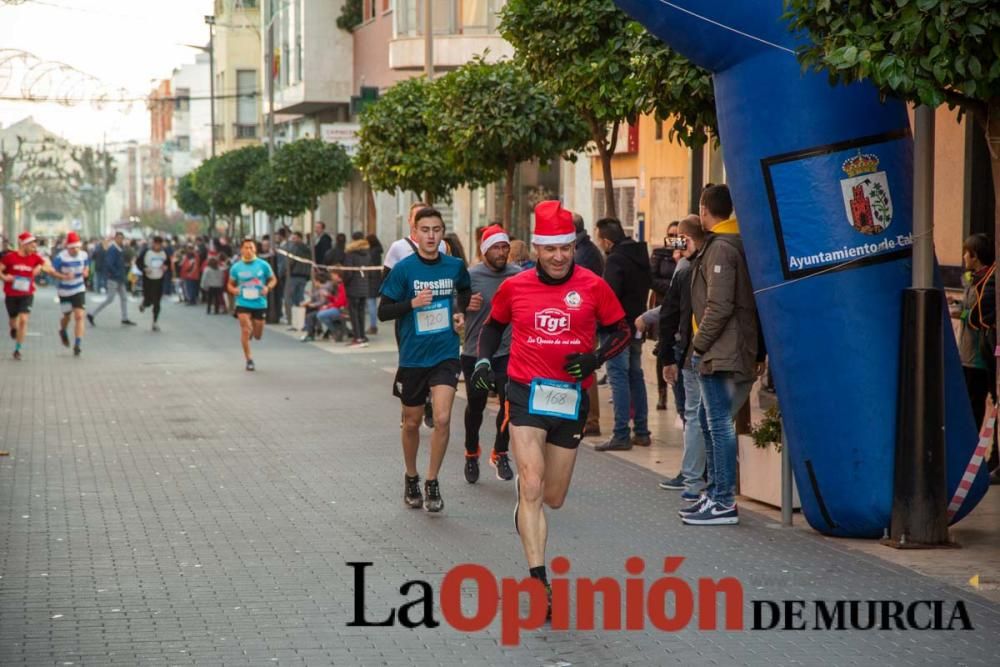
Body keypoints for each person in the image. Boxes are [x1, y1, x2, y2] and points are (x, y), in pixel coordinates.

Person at [472, 201, 630, 614]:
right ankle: (539, 581)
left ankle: (527, 511)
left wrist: (596, 359)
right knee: (532, 483)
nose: (559, 256)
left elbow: (622, 330)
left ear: (573, 248)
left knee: (553, 497)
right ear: (537, 250)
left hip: (570, 400)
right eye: (550, 249)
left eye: (566, 248)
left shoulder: (593, 285)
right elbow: (492, 327)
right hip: (525, 394)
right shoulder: (516, 286)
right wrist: (486, 361)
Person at [378, 207, 472, 513]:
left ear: (442, 234)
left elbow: (465, 291)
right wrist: (412, 303)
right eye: (425, 230)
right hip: (413, 357)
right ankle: (411, 476)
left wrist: (459, 312)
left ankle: (432, 481)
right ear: (415, 233)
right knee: (412, 423)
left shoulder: (455, 265)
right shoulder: (404, 269)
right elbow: (383, 311)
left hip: (444, 352)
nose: (431, 236)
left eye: (436, 230)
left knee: (443, 418)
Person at [682, 184, 763, 526]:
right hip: (725, 350)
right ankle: (714, 492)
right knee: (708, 420)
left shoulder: (722, 249)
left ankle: (723, 499)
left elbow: (719, 306)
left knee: (718, 424)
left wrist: (698, 346)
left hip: (722, 353)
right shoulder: (731, 244)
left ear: (704, 209)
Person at [461, 225, 520, 484]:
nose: (501, 252)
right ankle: (471, 452)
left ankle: (500, 452)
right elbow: (453, 302)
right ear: (485, 250)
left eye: (504, 246)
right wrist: (463, 304)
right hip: (475, 352)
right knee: (476, 405)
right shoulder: (470, 276)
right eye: (495, 247)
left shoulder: (518, 275)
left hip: (507, 352)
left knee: (509, 404)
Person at [655, 215, 708, 501]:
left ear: (686, 238)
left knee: (693, 415)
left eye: (678, 237)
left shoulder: (687, 267)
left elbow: (669, 313)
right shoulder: (706, 260)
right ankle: (705, 477)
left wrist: (666, 356)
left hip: (689, 350)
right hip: (707, 350)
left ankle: (692, 478)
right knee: (709, 417)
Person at [593, 217, 653, 451]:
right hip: (637, 323)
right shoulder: (640, 254)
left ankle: (620, 434)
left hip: (617, 328)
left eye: (600, 241)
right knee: (635, 375)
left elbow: (609, 294)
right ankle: (641, 431)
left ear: (607, 241)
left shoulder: (616, 259)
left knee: (618, 376)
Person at [953, 233, 998, 478]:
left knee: (977, 404)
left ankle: (979, 456)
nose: (963, 257)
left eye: (967, 253)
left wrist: (963, 314)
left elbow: (980, 316)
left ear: (975, 256)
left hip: (981, 355)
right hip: (969, 352)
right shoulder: (974, 280)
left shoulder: (989, 280)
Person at [0, 231, 69, 360]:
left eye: (34, 244)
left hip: (27, 294)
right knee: (13, 321)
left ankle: (18, 349)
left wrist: (62, 276)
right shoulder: (10, 257)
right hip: (11, 294)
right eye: (31, 244)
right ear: (23, 244)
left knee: (24, 320)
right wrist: (5, 277)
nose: (34, 247)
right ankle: (13, 328)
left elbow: (49, 268)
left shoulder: (35, 258)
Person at [573, 212, 606, 437]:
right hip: (583, 317)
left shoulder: (585, 253)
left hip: (585, 319)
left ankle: (591, 419)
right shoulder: (582, 249)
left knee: (586, 368)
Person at [228, 238, 277, 371]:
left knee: (258, 335)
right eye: (246, 247)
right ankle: (249, 360)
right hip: (242, 302)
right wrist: (234, 290)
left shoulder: (263, 265)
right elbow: (230, 284)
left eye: (251, 247)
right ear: (241, 250)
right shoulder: (236, 267)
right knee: (245, 328)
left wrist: (268, 287)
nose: (248, 250)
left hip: (259, 303)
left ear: (255, 249)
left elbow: (273, 279)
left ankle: (252, 332)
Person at [650, 221, 682, 411]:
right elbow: (651, 278)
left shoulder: (686, 257)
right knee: (662, 348)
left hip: (681, 308)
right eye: (670, 235)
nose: (673, 239)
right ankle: (662, 393)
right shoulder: (659, 254)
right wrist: (671, 288)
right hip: (663, 306)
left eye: (677, 235)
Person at [51, 231, 89, 356]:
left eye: (78, 247)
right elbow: (52, 271)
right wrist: (63, 276)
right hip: (65, 291)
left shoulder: (83, 255)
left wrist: (85, 272)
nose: (76, 250)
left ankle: (77, 344)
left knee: (79, 316)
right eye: (73, 248)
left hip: (78, 289)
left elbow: (86, 266)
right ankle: (63, 330)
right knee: (67, 316)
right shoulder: (61, 257)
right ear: (68, 248)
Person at [87, 232, 136, 326]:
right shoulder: (113, 249)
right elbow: (109, 263)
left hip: (119, 278)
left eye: (122, 238)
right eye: (119, 238)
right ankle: (92, 314)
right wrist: (117, 273)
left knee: (123, 298)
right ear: (115, 239)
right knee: (110, 299)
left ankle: (124, 318)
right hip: (114, 278)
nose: (120, 240)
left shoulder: (119, 249)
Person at [343, 231, 372, 347]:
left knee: (353, 313)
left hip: (353, 287)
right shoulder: (367, 254)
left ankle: (357, 337)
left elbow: (348, 272)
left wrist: (345, 282)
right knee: (361, 312)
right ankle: (362, 336)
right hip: (364, 287)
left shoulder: (350, 254)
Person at [136, 236, 168, 331]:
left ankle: (155, 322)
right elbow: (138, 262)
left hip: (159, 280)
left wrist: (165, 267)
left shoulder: (163, 253)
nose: (157, 246)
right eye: (156, 244)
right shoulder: (147, 252)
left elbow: (168, 264)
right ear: (153, 244)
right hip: (148, 280)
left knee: (157, 302)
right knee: (149, 301)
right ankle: (144, 304)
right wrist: (144, 269)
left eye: (159, 244)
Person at [284, 232, 312, 330]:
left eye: (295, 238)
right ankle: (302, 322)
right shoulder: (308, 249)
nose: (293, 240)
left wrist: (285, 271)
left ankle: (294, 322)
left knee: (291, 299)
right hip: (304, 277)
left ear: (299, 238)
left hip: (294, 275)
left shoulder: (295, 248)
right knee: (300, 299)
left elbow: (290, 262)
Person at [300, 271, 333, 342]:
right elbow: (315, 296)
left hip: (325, 307)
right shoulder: (322, 288)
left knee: (310, 315)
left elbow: (322, 301)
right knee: (309, 309)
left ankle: (311, 333)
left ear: (318, 281)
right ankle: (313, 330)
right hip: (324, 306)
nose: (314, 283)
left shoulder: (323, 289)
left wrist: (312, 304)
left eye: (314, 281)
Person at [317, 271, 349, 341]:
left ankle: (335, 331)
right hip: (339, 307)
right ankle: (337, 331)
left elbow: (341, 302)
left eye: (333, 275)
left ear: (337, 275)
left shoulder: (342, 286)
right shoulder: (338, 285)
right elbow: (337, 300)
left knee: (320, 315)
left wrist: (328, 306)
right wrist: (329, 296)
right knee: (321, 312)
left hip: (342, 309)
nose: (331, 277)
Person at [365, 234, 383, 336]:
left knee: (371, 303)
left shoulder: (371, 253)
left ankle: (373, 326)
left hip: (371, 280)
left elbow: (369, 265)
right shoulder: (377, 251)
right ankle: (373, 325)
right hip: (376, 279)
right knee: (372, 304)